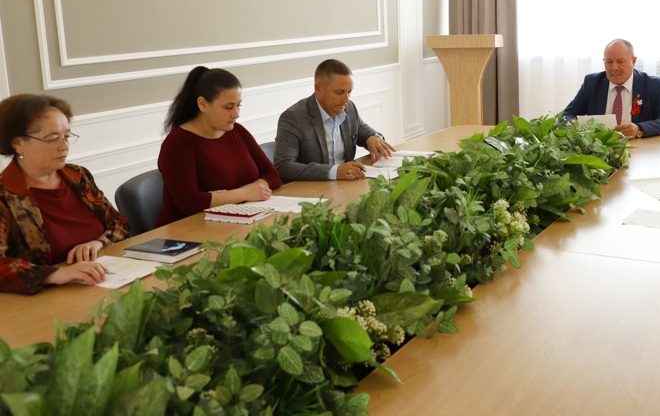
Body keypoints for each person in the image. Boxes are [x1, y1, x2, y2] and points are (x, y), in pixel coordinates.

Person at [0, 94, 129, 294]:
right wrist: (55, 274)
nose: (64, 146)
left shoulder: (78, 176)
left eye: (66, 137)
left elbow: (119, 222)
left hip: (104, 281)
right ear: (18, 144)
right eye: (53, 139)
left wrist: (98, 242)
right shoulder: (5, 194)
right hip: (46, 299)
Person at [156, 66, 281, 227]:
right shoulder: (178, 144)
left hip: (234, 222)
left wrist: (226, 196)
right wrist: (245, 193)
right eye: (228, 107)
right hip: (186, 230)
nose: (236, 114)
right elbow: (189, 203)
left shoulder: (237, 131)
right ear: (202, 104)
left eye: (238, 105)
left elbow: (273, 176)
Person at [274, 59, 395, 181]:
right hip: (313, 187)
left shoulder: (349, 108)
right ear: (318, 88)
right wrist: (334, 172)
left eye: (349, 92)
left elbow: (364, 132)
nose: (346, 100)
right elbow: (283, 167)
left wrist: (372, 138)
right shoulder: (293, 117)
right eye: (339, 92)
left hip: (346, 184)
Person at [562, 39, 660, 138]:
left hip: (639, 147)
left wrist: (639, 129)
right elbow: (567, 115)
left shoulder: (654, 85)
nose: (614, 67)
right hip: (600, 148)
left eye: (620, 62)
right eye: (609, 62)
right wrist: (575, 127)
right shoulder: (592, 83)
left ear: (633, 61)